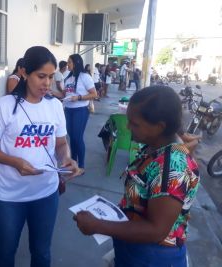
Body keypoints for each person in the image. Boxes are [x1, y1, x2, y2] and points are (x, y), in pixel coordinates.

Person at [74, 86, 200, 267]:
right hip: (135, 249)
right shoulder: (155, 146)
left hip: (154, 257)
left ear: (159, 127)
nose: (127, 127)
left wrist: (97, 225)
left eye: (134, 123)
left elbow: (157, 230)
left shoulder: (171, 168)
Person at [0, 46, 80, 267]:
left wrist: (66, 158)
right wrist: (15, 161)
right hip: (9, 196)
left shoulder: (55, 106)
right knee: (6, 252)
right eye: (41, 76)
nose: (47, 83)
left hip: (46, 193)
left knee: (42, 253)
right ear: (25, 73)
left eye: (51, 77)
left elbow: (61, 143)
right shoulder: (5, 106)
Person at [63, 54, 97, 175]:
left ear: (76, 63)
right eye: (67, 62)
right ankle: (74, 163)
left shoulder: (84, 77)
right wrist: (52, 93)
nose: (68, 64)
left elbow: (94, 94)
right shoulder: (68, 77)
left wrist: (79, 97)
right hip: (68, 110)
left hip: (80, 110)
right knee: (72, 138)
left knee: (77, 138)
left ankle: (81, 166)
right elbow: (64, 95)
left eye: (70, 62)